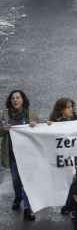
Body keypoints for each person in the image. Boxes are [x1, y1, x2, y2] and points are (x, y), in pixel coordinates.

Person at [1, 90, 38, 221]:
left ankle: (28, 209)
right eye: (13, 98)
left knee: (26, 181)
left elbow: (41, 131)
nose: (15, 100)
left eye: (18, 98)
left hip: (28, 155)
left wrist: (35, 126)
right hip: (13, 154)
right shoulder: (4, 114)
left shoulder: (30, 114)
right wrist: (2, 129)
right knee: (16, 180)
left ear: (23, 100)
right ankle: (18, 197)